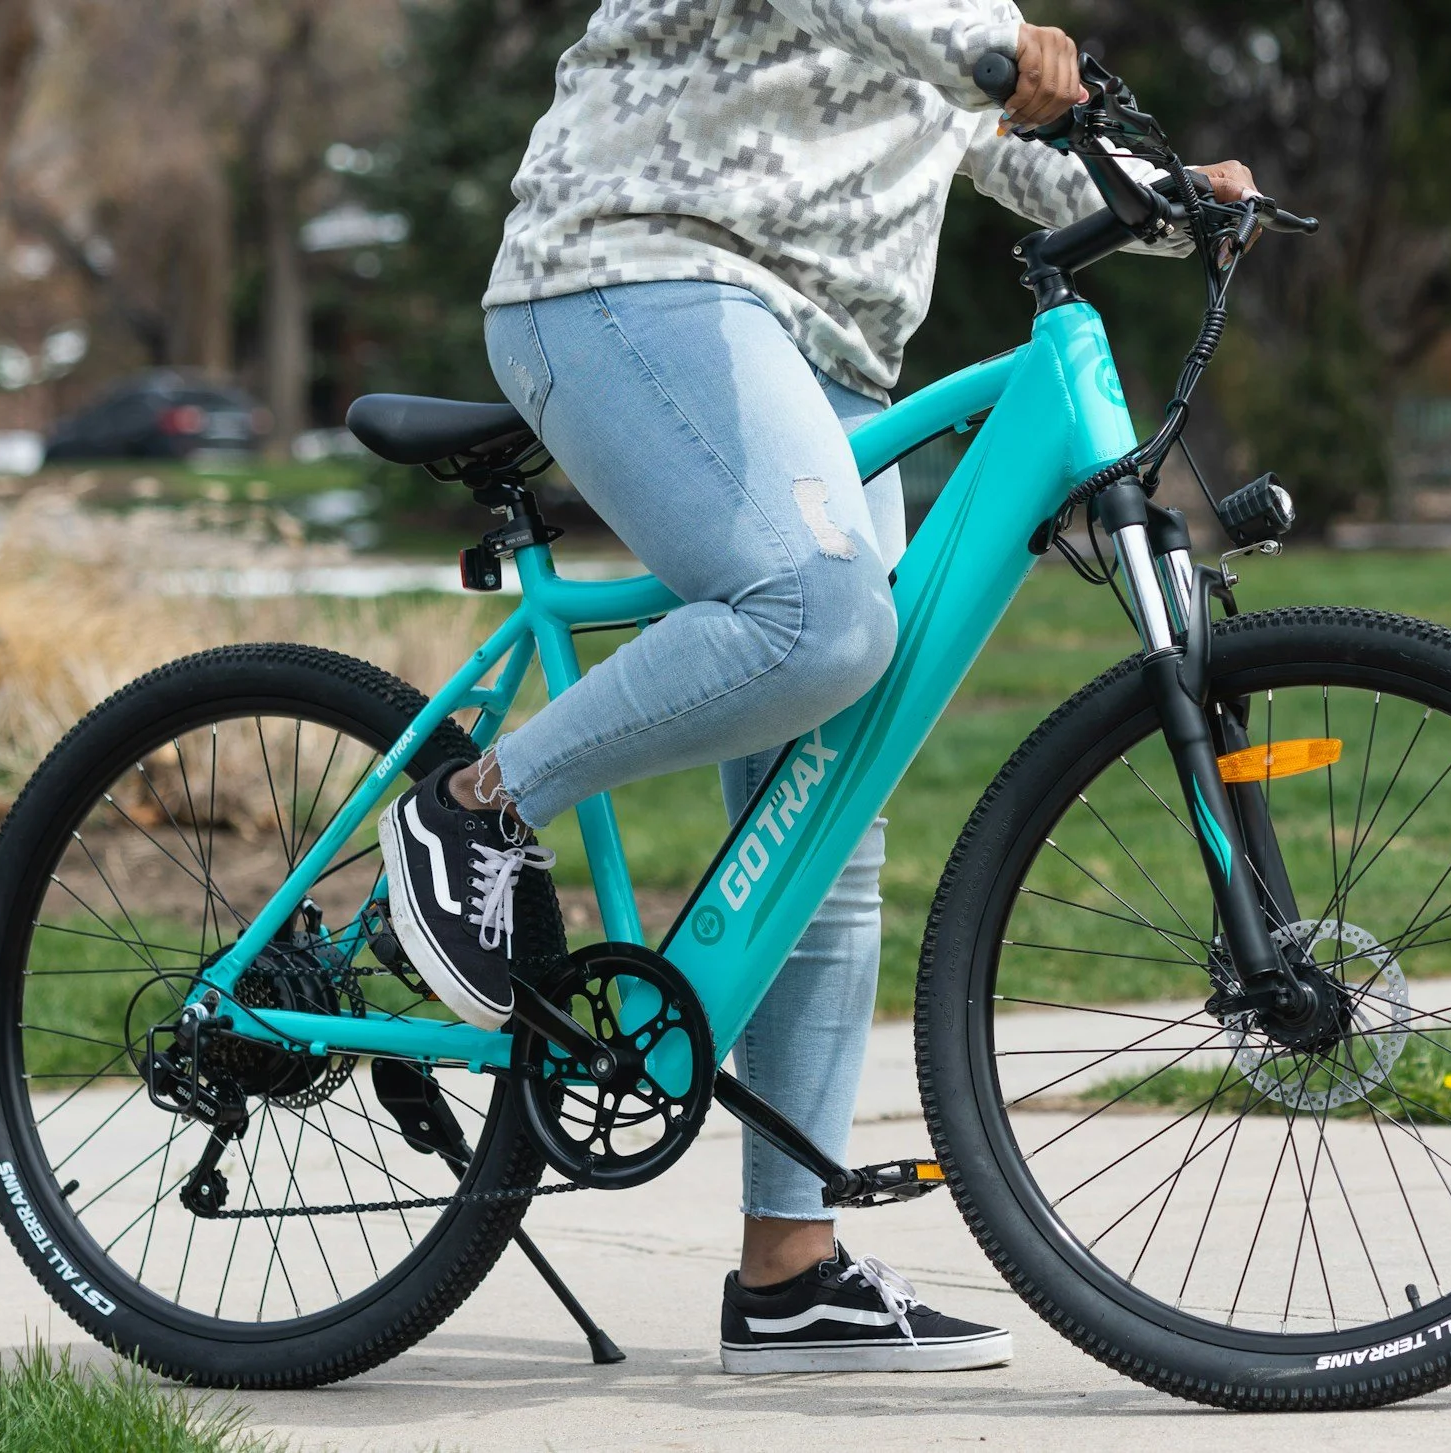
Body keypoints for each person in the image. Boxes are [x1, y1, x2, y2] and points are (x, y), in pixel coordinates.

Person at [377, 0, 1257, 1375]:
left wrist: (1169, 196)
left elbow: (995, 128)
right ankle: (479, 804)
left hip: (825, 358)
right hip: (637, 277)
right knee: (819, 619)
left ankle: (791, 1272)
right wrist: (993, 40)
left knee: (833, 801)